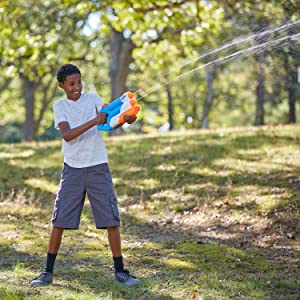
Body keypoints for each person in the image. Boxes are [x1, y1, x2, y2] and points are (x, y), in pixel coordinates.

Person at [30, 64, 141, 287]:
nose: (77, 87)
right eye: (71, 84)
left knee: (111, 219)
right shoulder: (59, 106)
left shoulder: (93, 98)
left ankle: (120, 271)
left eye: (79, 82)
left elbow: (108, 120)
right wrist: (94, 121)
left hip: (98, 166)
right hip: (73, 169)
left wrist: (126, 119)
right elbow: (68, 135)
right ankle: (47, 272)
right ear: (61, 85)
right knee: (59, 220)